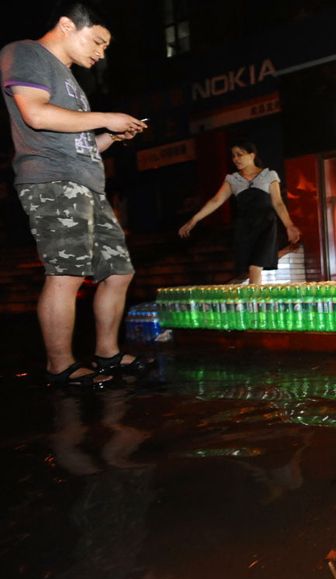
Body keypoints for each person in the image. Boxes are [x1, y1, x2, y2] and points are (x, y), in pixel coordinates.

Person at [0, 1, 149, 387]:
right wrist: (104, 116)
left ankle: (107, 354)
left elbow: (79, 143)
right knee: (66, 273)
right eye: (97, 41)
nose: (101, 53)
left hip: (87, 184)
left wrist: (110, 137)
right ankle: (60, 365)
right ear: (68, 25)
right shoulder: (26, 53)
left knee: (118, 272)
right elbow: (35, 114)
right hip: (52, 181)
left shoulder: (70, 81)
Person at [178, 140, 300, 285]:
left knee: (256, 267)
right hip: (245, 227)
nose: (235, 159)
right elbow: (216, 201)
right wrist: (194, 219)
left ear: (252, 155)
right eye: (233, 156)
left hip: (265, 225)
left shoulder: (269, 175)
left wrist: (289, 226)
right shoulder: (233, 179)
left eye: (239, 155)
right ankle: (254, 300)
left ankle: (253, 304)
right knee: (250, 268)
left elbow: (278, 203)